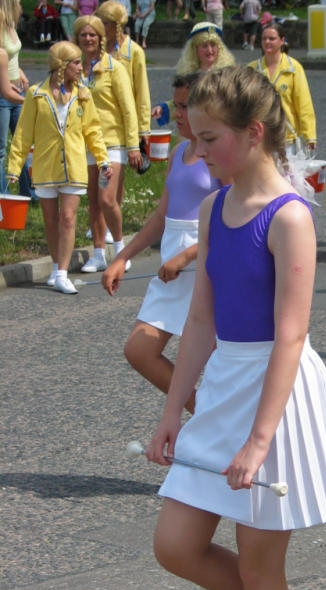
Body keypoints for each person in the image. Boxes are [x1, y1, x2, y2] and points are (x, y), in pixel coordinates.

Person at [145, 65, 326, 590]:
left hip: (279, 390)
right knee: (175, 543)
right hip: (227, 380)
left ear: (253, 133)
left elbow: (291, 334)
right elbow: (200, 318)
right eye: (195, 140)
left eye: (211, 140)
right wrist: (174, 410)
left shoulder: (288, 216)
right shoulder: (213, 209)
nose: (199, 154)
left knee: (262, 565)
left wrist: (263, 438)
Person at [102, 73, 222, 409]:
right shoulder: (178, 151)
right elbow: (160, 218)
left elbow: (228, 221)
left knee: (219, 363)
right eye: (177, 105)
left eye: (185, 106)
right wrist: (121, 258)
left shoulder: (218, 157)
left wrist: (186, 257)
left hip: (204, 268)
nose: (178, 113)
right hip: (171, 269)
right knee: (139, 350)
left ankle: (226, 429)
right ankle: (200, 411)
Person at [6, 42, 110, 294]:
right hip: (45, 167)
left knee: (67, 218)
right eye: (75, 62)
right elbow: (23, 134)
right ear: (62, 65)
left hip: (74, 167)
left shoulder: (83, 94)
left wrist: (102, 159)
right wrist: (14, 167)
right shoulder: (36, 94)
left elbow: (93, 130)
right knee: (50, 220)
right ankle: (55, 267)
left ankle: (63, 273)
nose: (80, 66)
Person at [74, 14, 141, 273]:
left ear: (101, 38)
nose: (88, 39)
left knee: (106, 198)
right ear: (77, 38)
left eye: (93, 34)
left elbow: (128, 109)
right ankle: (99, 253)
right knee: (93, 201)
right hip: (86, 143)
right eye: (83, 34)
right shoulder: (74, 68)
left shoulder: (115, 68)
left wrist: (133, 145)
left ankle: (121, 250)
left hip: (112, 143)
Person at [250, 22, 317, 154]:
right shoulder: (252, 69)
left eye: (272, 38)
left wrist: (310, 135)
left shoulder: (293, 68)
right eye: (264, 39)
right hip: (260, 139)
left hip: (287, 140)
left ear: (282, 41)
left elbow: (303, 103)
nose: (267, 42)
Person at [151, 22, 234, 126]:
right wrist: (164, 109)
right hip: (192, 127)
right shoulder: (189, 74)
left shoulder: (228, 73)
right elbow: (183, 102)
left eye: (213, 45)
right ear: (195, 49)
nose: (210, 50)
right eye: (204, 46)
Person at [96, 1, 151, 148]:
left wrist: (143, 128)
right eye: (98, 22)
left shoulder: (134, 51)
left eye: (104, 23)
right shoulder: (95, 49)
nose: (99, 27)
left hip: (124, 120)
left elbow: (142, 91)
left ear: (116, 25)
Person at [0, 0, 32, 198]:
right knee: (1, 150)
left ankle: (28, 192)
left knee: (22, 144)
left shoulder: (11, 24)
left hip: (16, 89)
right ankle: (3, 195)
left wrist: (18, 70)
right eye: (19, 2)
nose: (21, 6)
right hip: (3, 93)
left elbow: (10, 54)